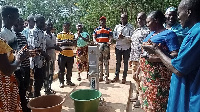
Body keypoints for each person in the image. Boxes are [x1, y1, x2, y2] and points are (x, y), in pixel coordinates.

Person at [142, 0, 200, 111]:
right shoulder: (192, 32)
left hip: (188, 94)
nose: (178, 17)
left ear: (188, 12)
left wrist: (156, 50)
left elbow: (179, 68)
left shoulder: (196, 34)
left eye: (179, 13)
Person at [140, 10, 179, 111]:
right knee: (148, 103)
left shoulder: (169, 34)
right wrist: (138, 70)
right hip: (147, 78)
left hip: (159, 80)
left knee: (158, 104)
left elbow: (175, 55)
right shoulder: (151, 34)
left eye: (148, 22)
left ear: (156, 20)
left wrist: (156, 59)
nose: (146, 24)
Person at [0, 5, 29, 112]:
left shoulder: (11, 32)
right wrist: (18, 61)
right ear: (9, 17)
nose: (18, 20)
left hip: (16, 68)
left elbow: (13, 53)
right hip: (10, 72)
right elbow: (6, 60)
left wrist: (22, 55)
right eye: (16, 17)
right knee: (15, 101)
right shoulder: (3, 34)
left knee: (20, 97)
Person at [28, 14, 50, 97]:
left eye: (43, 22)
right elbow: (36, 47)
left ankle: (37, 94)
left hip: (42, 60)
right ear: (36, 22)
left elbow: (43, 46)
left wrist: (45, 56)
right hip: (35, 61)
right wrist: (46, 55)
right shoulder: (33, 32)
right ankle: (36, 96)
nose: (43, 24)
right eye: (41, 22)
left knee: (41, 80)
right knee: (37, 80)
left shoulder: (42, 32)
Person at [129, 12, 149, 101]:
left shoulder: (148, 31)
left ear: (145, 19)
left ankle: (141, 99)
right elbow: (133, 45)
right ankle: (137, 95)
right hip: (134, 59)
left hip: (143, 60)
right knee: (135, 77)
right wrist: (130, 58)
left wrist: (143, 60)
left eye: (141, 18)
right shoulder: (135, 31)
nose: (139, 20)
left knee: (142, 79)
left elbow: (147, 47)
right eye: (138, 18)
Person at [13, 17, 31, 112]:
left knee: (25, 85)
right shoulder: (12, 36)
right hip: (19, 66)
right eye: (21, 24)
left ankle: (24, 102)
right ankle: (23, 106)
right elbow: (14, 53)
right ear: (15, 24)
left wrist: (28, 52)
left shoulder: (23, 36)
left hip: (26, 64)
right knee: (20, 88)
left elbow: (25, 48)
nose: (23, 26)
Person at [112, 13, 134, 84]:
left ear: (127, 18)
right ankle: (116, 76)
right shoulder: (117, 27)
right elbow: (114, 37)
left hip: (126, 48)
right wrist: (118, 37)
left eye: (124, 18)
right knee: (117, 62)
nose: (122, 19)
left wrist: (124, 37)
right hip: (118, 47)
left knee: (125, 63)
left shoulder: (130, 27)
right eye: (121, 18)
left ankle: (124, 77)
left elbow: (132, 38)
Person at [93, 16, 113, 84]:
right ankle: (100, 76)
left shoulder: (109, 29)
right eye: (101, 20)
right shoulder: (96, 29)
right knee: (99, 62)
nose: (102, 22)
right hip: (99, 46)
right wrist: (96, 42)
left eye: (104, 20)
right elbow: (94, 37)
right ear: (99, 21)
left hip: (106, 46)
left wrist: (109, 41)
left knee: (106, 62)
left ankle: (106, 77)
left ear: (105, 21)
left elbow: (110, 37)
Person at [57, 22, 76, 88]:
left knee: (69, 69)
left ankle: (69, 81)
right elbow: (57, 43)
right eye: (65, 26)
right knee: (61, 69)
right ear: (63, 27)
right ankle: (61, 82)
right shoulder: (60, 34)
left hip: (70, 54)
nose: (66, 28)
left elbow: (74, 43)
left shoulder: (72, 35)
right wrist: (64, 42)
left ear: (69, 27)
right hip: (62, 54)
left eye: (67, 26)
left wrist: (70, 42)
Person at [44, 19, 59, 94]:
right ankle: (46, 89)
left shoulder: (53, 36)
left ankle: (49, 88)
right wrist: (53, 47)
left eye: (51, 25)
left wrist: (57, 47)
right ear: (45, 26)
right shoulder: (43, 35)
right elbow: (43, 48)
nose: (50, 26)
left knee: (51, 74)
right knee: (46, 74)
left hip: (52, 57)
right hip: (46, 58)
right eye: (48, 25)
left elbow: (55, 45)